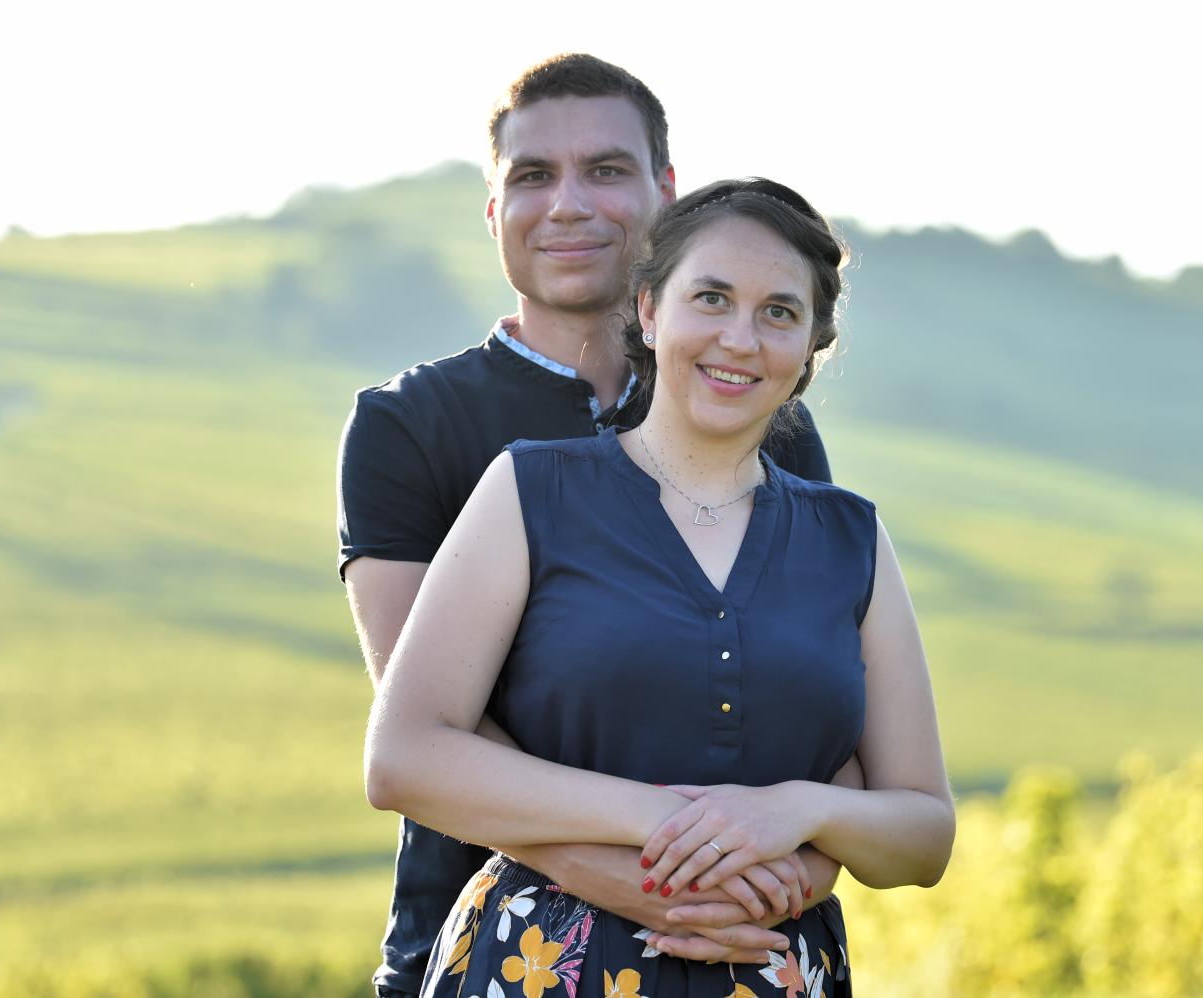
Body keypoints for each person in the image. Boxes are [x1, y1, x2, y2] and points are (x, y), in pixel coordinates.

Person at [365, 177, 954, 997]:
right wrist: (672, 827)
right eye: (710, 298)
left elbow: (924, 834)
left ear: (813, 341)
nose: (740, 339)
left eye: (778, 312)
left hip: (772, 975)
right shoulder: (532, 492)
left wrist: (796, 812)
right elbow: (403, 758)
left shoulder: (852, 539)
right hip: (536, 969)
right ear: (649, 310)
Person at [339, 55, 845, 997]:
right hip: (493, 952)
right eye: (532, 175)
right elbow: (439, 740)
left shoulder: (771, 424)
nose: (567, 203)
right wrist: (641, 881)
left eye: (605, 170)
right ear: (493, 210)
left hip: (748, 952)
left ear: (666, 194)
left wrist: (798, 877)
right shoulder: (408, 425)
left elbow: (827, 705)